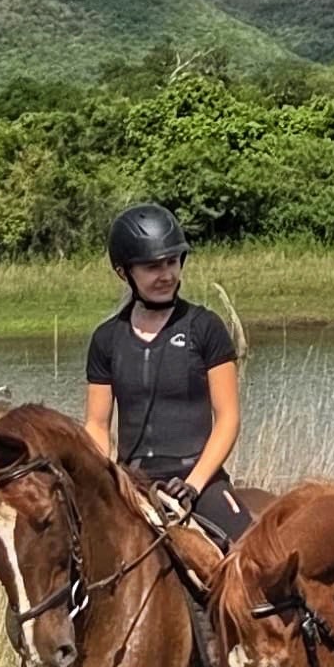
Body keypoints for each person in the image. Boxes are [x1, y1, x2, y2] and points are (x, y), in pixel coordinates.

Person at [84, 202, 249, 547]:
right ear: (123, 272)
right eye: (152, 267)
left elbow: (228, 418)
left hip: (200, 481)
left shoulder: (205, 328)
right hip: (132, 482)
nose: (166, 275)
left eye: (172, 262)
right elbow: (97, 425)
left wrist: (195, 483)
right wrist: (105, 478)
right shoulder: (106, 339)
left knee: (253, 559)